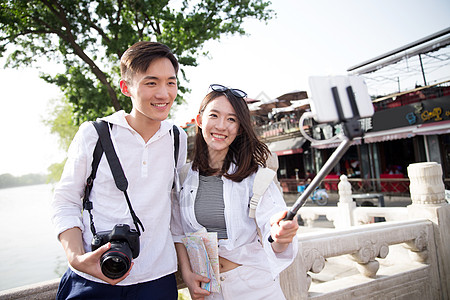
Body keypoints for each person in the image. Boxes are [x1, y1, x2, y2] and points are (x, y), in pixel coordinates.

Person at [51, 41, 187, 299]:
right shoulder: (95, 134)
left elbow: (176, 210)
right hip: (92, 279)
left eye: (171, 82)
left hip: (157, 281)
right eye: (151, 82)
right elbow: (65, 201)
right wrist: (77, 257)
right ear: (126, 88)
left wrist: (187, 269)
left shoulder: (177, 139)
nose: (163, 93)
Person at [171, 84, 299, 300]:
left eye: (231, 119)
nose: (222, 126)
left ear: (239, 128)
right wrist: (187, 273)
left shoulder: (255, 176)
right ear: (200, 121)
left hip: (255, 287)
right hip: (209, 290)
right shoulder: (183, 177)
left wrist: (281, 235)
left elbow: (272, 228)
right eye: (214, 115)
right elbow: (178, 232)